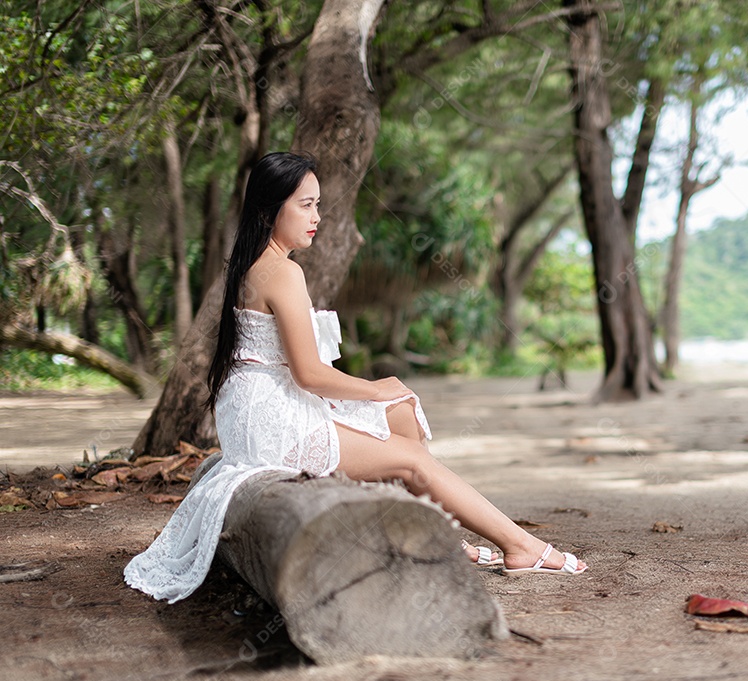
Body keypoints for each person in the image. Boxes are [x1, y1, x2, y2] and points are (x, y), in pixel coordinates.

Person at [124, 152, 585, 603]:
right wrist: (374, 387)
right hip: (270, 420)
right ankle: (520, 545)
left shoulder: (253, 264)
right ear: (270, 209)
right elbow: (308, 374)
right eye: (305, 205)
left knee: (399, 410)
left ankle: (434, 532)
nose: (317, 216)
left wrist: (381, 394)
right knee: (411, 456)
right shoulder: (282, 272)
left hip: (253, 410)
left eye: (318, 204)